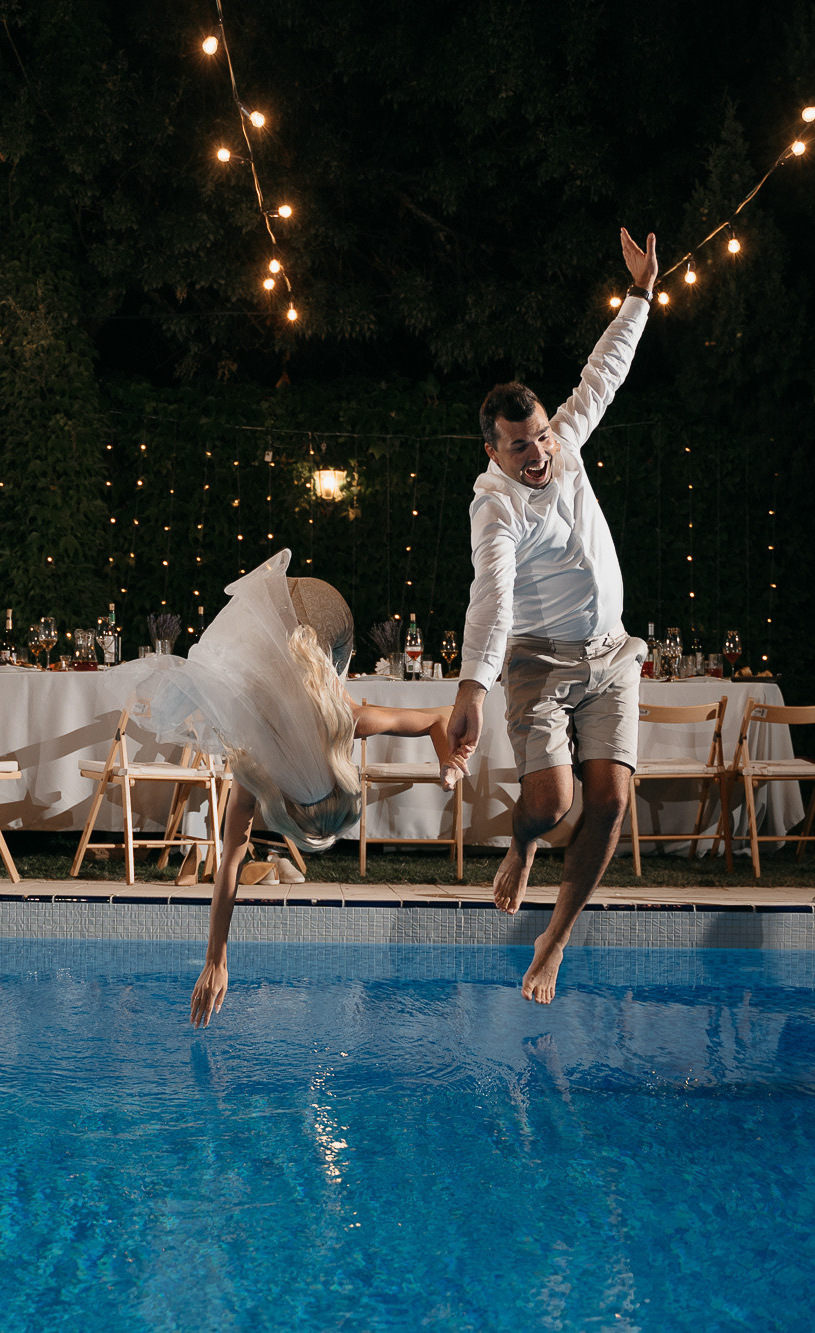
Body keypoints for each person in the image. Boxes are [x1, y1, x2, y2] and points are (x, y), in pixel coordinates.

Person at [445, 226, 662, 1006]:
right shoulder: (494, 505)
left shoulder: (565, 442)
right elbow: (493, 594)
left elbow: (602, 375)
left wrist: (639, 293)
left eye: (540, 436)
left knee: (608, 801)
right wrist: (473, 686)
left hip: (611, 654)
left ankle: (554, 940)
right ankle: (524, 844)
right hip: (539, 660)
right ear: (493, 452)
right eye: (520, 445)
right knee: (553, 804)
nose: (538, 453)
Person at [129, 551, 467, 1026]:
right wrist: (214, 959)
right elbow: (231, 857)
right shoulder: (275, 756)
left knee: (320, 686)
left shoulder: (344, 724)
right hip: (316, 614)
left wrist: (447, 761)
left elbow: (439, 718)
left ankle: (310, 664)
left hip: (295, 622)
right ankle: (310, 662)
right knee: (316, 681)